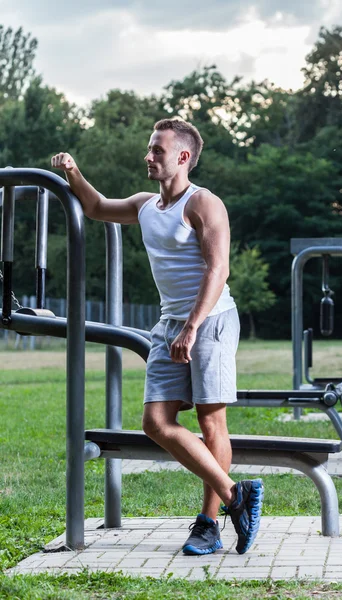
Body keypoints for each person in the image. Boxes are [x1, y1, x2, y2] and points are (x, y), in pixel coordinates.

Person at [51, 118, 264, 556]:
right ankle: (234, 494)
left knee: (210, 420)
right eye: (150, 149)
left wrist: (192, 326)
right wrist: (72, 172)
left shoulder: (204, 204)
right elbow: (95, 207)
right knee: (155, 422)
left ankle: (209, 524)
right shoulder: (146, 204)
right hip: (169, 324)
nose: (148, 157)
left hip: (211, 321)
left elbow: (218, 269)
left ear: (182, 157)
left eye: (157, 151)